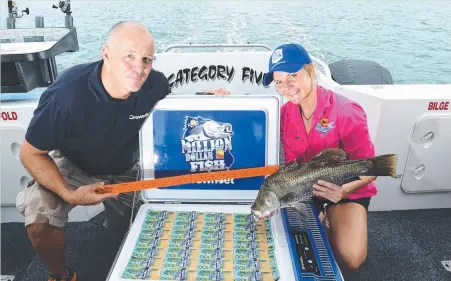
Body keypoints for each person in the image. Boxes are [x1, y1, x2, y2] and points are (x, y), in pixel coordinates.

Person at [15, 21, 227, 281]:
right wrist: (70, 195)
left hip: (129, 168)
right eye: (129, 56)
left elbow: (176, 113)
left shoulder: (154, 86)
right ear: (106, 53)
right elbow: (30, 153)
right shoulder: (67, 96)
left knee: (145, 231)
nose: (139, 68)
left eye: (147, 59)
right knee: (40, 222)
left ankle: (114, 236)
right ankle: (60, 275)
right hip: (74, 165)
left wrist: (206, 96)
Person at [260, 43, 377, 272]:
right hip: (305, 189)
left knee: (350, 258)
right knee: (286, 244)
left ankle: (329, 219)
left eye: (293, 75)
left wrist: (343, 191)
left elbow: (371, 168)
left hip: (346, 190)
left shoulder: (346, 112)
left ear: (311, 71)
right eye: (279, 81)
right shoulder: (284, 114)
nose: (286, 86)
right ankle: (322, 217)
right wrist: (218, 98)